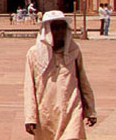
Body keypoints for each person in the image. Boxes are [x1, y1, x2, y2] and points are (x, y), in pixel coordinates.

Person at [23, 10, 97, 140]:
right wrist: (30, 117)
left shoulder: (74, 51)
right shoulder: (34, 54)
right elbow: (29, 87)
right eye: (55, 28)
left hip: (72, 108)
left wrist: (90, 109)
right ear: (47, 30)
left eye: (62, 27)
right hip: (46, 111)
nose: (59, 32)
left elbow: (83, 80)